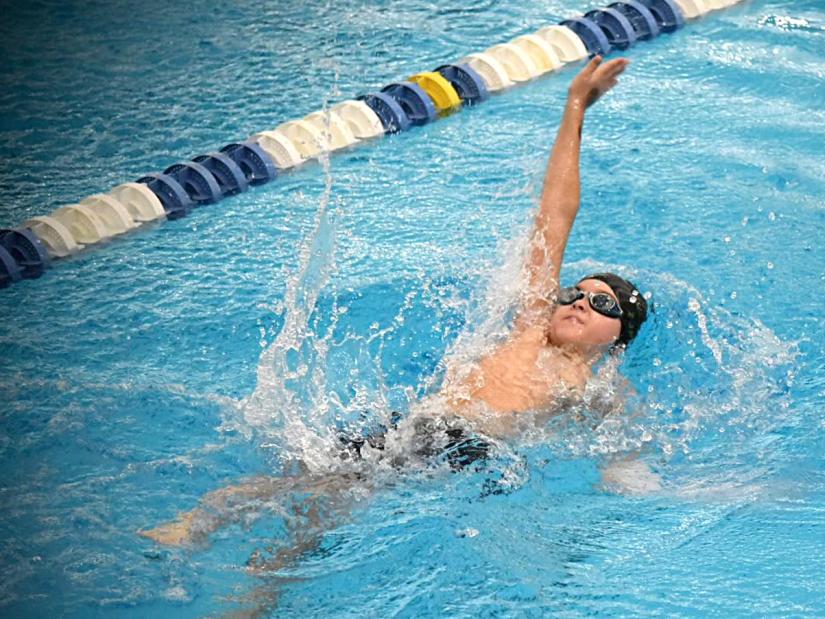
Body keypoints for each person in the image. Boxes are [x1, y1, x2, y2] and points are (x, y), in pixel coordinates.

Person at [141, 55, 649, 555]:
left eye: (601, 303)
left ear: (620, 336)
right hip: (418, 426)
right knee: (304, 483)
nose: (579, 301)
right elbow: (554, 217)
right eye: (574, 292)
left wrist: (626, 477)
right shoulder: (531, 324)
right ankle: (193, 527)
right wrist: (575, 105)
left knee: (321, 509)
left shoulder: (602, 385)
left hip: (467, 448)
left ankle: (250, 589)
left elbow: (623, 451)